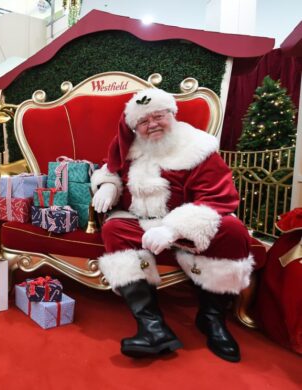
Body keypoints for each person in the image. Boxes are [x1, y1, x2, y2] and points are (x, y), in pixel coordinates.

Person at [91, 88, 254, 363]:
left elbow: (218, 198)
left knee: (233, 230)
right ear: (135, 127)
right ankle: (152, 327)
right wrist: (108, 185)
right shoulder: (130, 147)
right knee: (113, 229)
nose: (151, 124)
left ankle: (212, 318)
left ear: (172, 114)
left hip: (186, 222)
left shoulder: (197, 148)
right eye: (143, 121)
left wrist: (173, 229)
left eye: (158, 116)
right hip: (140, 222)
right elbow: (111, 168)